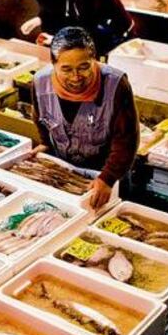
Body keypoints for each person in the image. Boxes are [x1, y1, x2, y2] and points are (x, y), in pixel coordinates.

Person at [31, 26, 139, 210]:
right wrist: (45, 142)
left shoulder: (116, 84)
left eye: (84, 67)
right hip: (63, 171)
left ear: (94, 61)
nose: (75, 77)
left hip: (108, 173)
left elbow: (126, 139)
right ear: (53, 64)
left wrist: (108, 178)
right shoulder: (39, 82)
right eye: (66, 69)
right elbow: (39, 117)